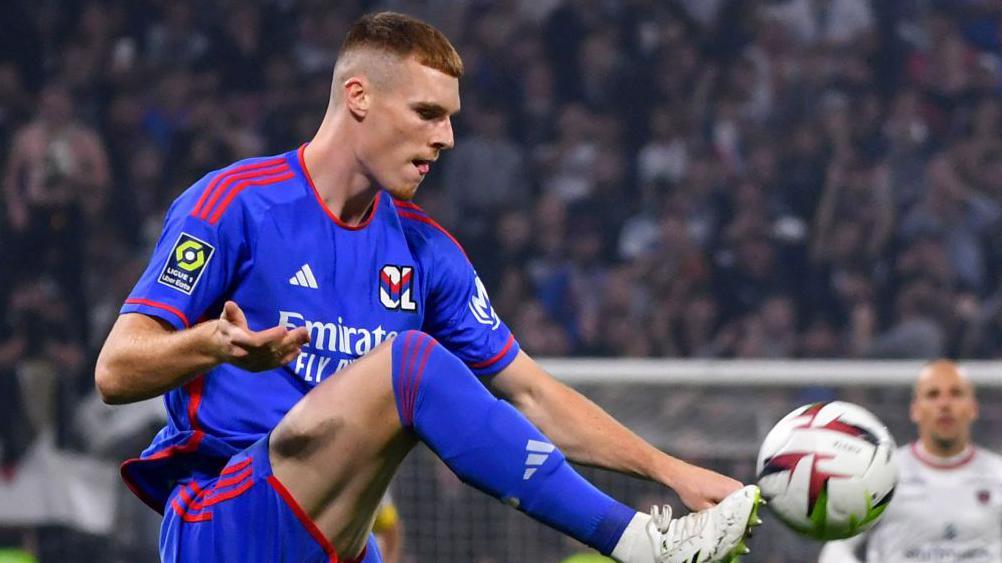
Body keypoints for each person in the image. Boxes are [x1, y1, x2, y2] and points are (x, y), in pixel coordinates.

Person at [95, 12, 760, 563]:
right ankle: (641, 544)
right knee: (410, 364)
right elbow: (115, 370)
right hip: (230, 518)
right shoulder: (235, 204)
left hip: (344, 542)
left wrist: (668, 469)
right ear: (359, 96)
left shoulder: (426, 251)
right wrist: (214, 343)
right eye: (426, 112)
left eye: (450, 118)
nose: (444, 137)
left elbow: (531, 393)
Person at [819, 360, 1002, 562]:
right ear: (915, 409)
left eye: (956, 394)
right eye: (933, 395)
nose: (945, 404)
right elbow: (836, 547)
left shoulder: (998, 473)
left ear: (973, 408)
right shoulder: (881, 473)